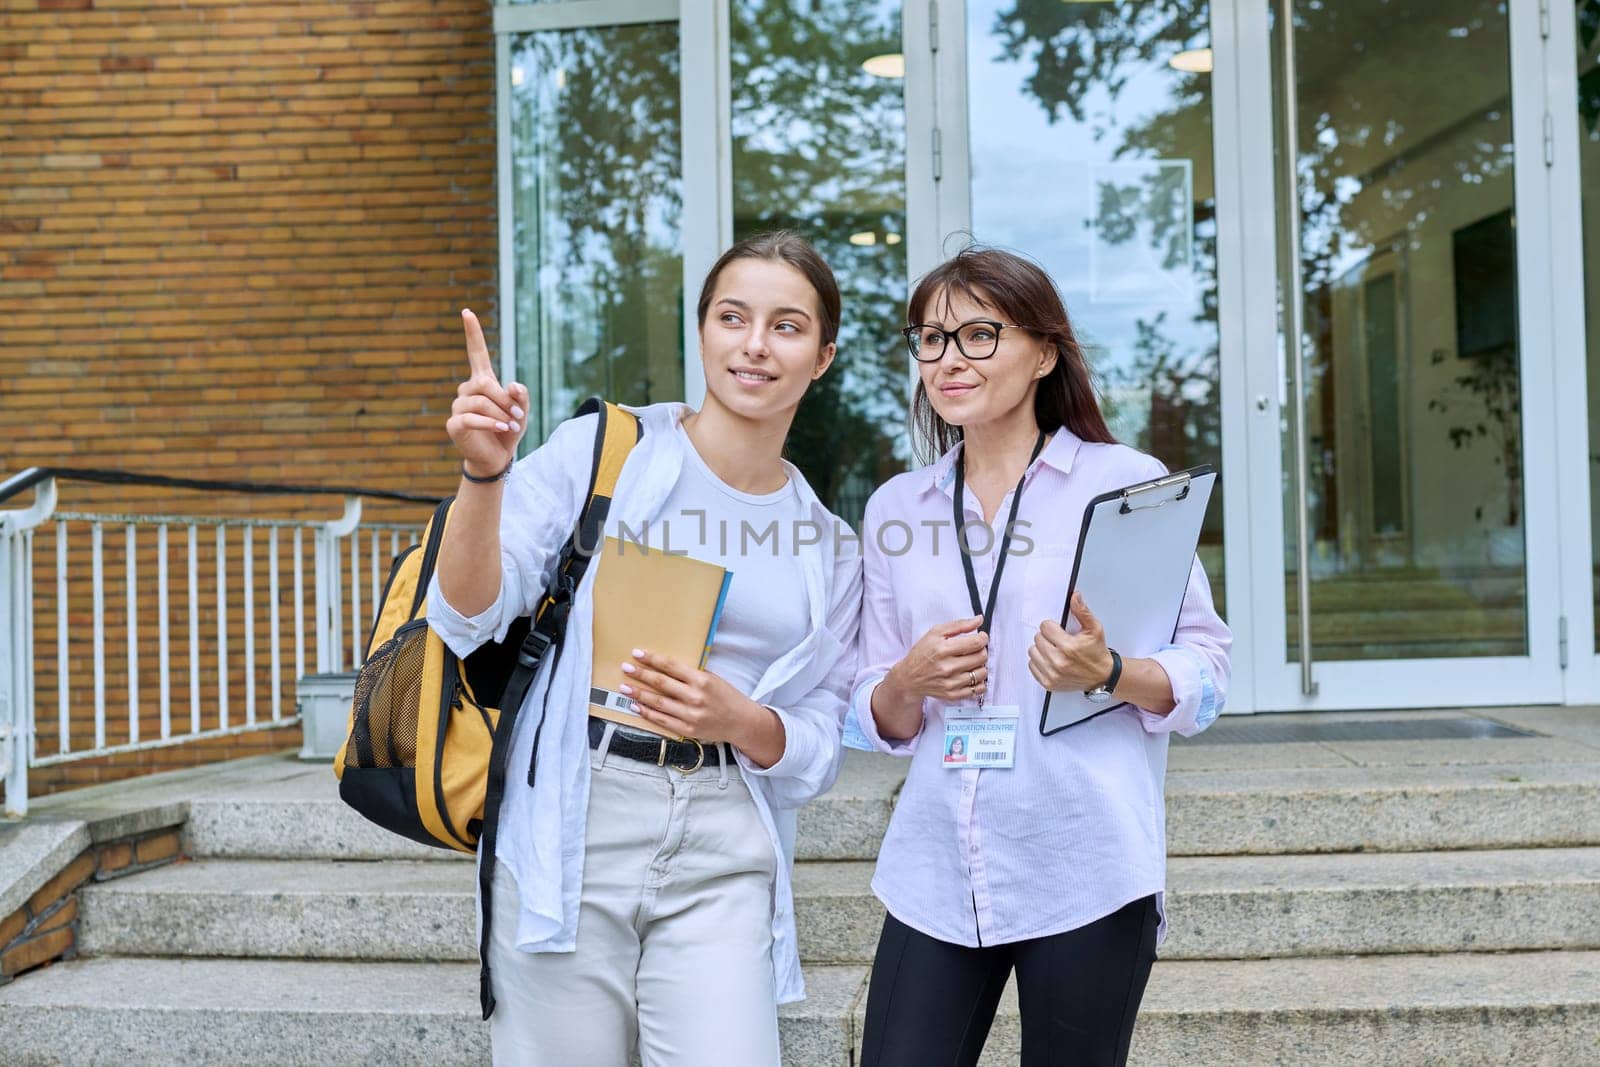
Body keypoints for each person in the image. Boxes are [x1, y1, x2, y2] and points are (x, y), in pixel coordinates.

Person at [430, 231, 862, 1066]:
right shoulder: (606, 455)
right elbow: (465, 614)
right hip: (576, 812)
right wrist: (483, 478)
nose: (755, 345)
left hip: (723, 841)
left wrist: (743, 718)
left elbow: (817, 746)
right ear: (701, 331)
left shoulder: (829, 543)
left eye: (787, 325)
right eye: (733, 317)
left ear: (823, 356)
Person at [848, 246, 1231, 1067]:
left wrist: (1112, 672)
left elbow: (1208, 665)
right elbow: (870, 704)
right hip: (937, 864)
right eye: (930, 338)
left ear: (1044, 352)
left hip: (1084, 859)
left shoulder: (1123, 483)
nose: (948, 360)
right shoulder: (896, 508)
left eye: (978, 335)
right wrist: (907, 682)